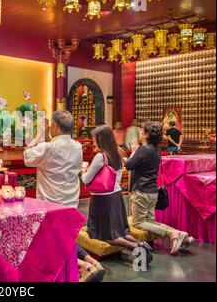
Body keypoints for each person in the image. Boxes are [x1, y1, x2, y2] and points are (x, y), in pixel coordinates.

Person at [24, 110, 105, 282]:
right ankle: (91, 262)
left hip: (51, 205)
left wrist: (39, 135)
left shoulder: (48, 148)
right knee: (65, 239)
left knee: (51, 244)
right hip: (70, 202)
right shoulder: (77, 146)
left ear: (54, 126)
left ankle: (84, 266)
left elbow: (27, 156)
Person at [81, 125, 153, 265]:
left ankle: (136, 247)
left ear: (100, 140)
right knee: (120, 231)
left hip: (103, 199)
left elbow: (86, 179)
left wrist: (83, 170)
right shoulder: (118, 153)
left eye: (95, 139)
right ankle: (142, 244)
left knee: (107, 236)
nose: (94, 141)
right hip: (116, 196)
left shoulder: (100, 157)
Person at [125, 121, 194, 255]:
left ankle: (172, 233)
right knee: (149, 222)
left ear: (145, 135)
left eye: (142, 131)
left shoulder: (143, 150)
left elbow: (128, 165)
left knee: (138, 222)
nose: (139, 132)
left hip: (141, 192)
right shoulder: (157, 149)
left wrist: (133, 151)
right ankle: (180, 234)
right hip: (152, 192)